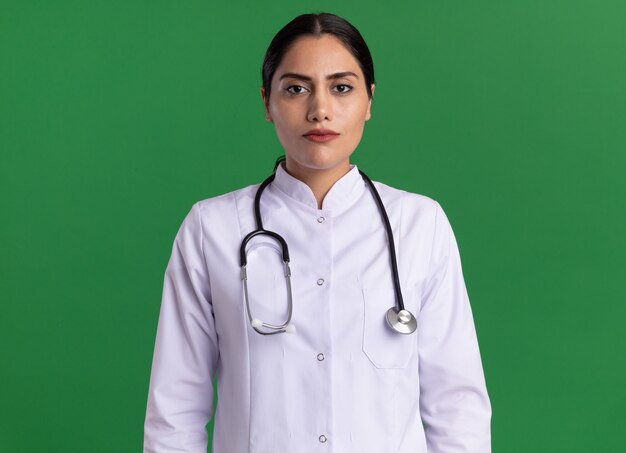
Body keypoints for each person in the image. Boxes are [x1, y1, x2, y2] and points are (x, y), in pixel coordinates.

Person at [143, 12, 491, 453]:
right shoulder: (212, 228)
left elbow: (457, 406)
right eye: (296, 88)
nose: (320, 109)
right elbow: (175, 410)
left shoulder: (420, 225)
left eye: (341, 87)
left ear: (369, 100)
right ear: (267, 102)